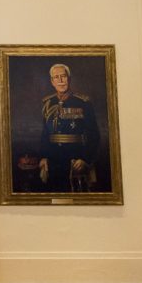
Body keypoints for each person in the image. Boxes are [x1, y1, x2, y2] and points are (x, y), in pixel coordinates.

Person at [38, 63, 100, 192]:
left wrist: (85, 159)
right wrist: (43, 156)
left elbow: (94, 134)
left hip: (76, 158)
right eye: (56, 77)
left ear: (69, 78)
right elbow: (45, 132)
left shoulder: (83, 102)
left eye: (63, 76)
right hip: (53, 159)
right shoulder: (47, 103)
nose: (60, 80)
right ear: (52, 81)